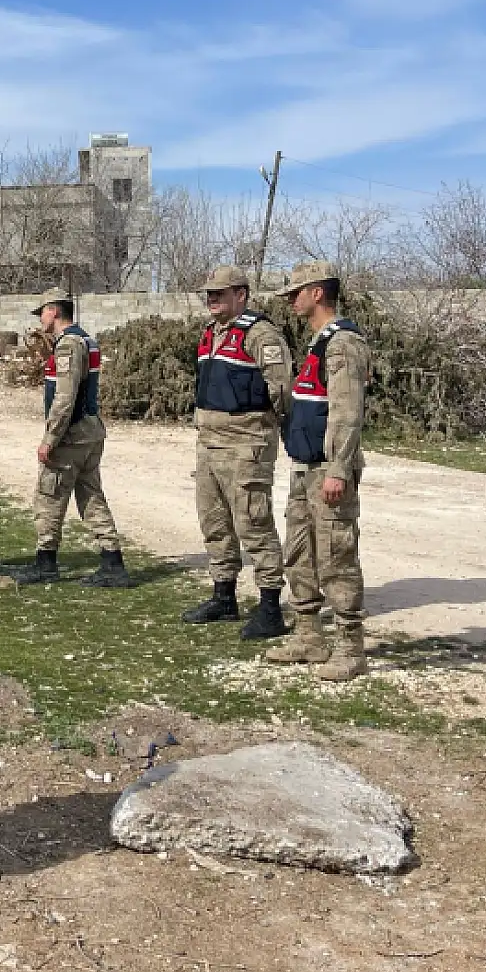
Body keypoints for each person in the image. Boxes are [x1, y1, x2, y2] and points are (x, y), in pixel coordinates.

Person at [267, 262, 373, 681]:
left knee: (336, 554)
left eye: (295, 293)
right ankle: (309, 635)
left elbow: (347, 414)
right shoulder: (319, 342)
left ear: (317, 293)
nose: (291, 300)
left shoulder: (343, 344)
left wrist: (338, 469)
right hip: (305, 465)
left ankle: (350, 648)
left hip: (327, 470)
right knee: (300, 552)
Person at [181, 265, 294, 640]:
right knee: (214, 521)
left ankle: (270, 607)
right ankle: (224, 595)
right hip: (209, 442)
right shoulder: (211, 334)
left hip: (245, 443)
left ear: (241, 295)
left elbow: (280, 389)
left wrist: (266, 431)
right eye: (208, 293)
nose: (212, 299)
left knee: (253, 523)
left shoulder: (261, 335)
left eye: (220, 293)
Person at [18, 294, 132, 587]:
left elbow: (65, 397)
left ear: (54, 311)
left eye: (42, 313)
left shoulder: (68, 344)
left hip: (72, 435)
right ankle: (112, 561)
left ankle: (46, 562)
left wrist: (50, 438)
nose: (40, 320)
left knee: (49, 495)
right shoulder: (86, 340)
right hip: (90, 431)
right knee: (91, 495)